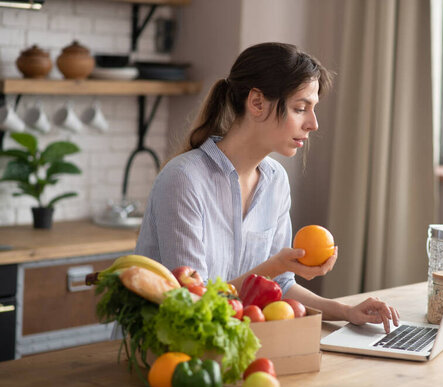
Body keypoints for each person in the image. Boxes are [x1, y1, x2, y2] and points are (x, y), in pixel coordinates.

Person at [135, 42, 400, 333]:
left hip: (232, 344)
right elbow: (193, 302)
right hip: (164, 348)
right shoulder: (184, 179)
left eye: (313, 109)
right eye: (301, 108)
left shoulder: (275, 180)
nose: (313, 123)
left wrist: (346, 311)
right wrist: (273, 266)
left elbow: (280, 286)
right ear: (257, 103)